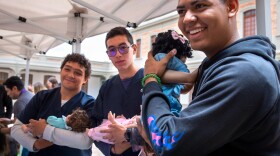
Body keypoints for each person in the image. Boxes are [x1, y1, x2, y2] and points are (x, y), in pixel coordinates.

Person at [139, 0, 280, 155]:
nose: (187, 18)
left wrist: (151, 78)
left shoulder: (244, 73)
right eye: (181, 12)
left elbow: (167, 140)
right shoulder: (214, 65)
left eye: (200, 6)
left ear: (231, 7)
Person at [11, 53, 95, 156]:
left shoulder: (89, 103)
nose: (70, 75)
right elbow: (16, 128)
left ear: (85, 79)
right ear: (61, 70)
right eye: (67, 69)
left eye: (78, 73)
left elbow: (86, 140)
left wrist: (45, 130)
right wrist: (35, 144)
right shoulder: (42, 97)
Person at [91, 26, 143, 156]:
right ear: (108, 55)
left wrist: (128, 138)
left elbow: (163, 123)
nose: (118, 54)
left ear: (134, 49)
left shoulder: (151, 81)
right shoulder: (107, 87)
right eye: (112, 50)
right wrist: (112, 150)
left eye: (123, 47)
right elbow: (95, 124)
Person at [152, 30, 196, 116]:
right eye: (184, 61)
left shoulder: (155, 62)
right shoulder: (164, 58)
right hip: (166, 110)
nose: (184, 63)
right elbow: (188, 82)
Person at [1, 76, 34, 156]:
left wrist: (1, 130)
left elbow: (17, 128)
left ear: (15, 88)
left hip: (30, 141)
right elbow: (26, 119)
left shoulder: (19, 102)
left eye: (8, 91)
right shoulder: (30, 95)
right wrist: (10, 121)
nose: (8, 94)